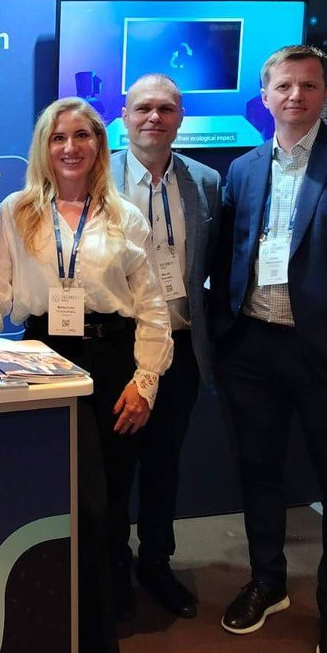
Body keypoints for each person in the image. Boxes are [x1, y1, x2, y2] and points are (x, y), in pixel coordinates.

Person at [0, 97, 172, 653]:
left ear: (99, 145)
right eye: (58, 136)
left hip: (113, 367)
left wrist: (145, 381)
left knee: (102, 510)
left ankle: (94, 645)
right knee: (72, 512)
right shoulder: (19, 211)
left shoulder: (125, 217)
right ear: (44, 146)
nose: (70, 147)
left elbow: (153, 308)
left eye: (82, 136)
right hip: (43, 363)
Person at [214, 45, 327, 653]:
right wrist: (225, 332)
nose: (296, 96)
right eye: (284, 86)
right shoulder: (244, 167)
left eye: (309, 86)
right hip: (254, 348)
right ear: (265, 94)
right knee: (259, 473)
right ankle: (268, 582)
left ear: (325, 95)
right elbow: (229, 254)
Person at [110, 74, 221, 618]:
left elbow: (213, 264)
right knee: (113, 468)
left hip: (180, 347)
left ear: (180, 118)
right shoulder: (97, 174)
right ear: (124, 117)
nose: (154, 118)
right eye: (143, 108)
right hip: (117, 348)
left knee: (164, 465)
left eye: (166, 109)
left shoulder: (206, 181)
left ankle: (156, 562)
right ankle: (112, 571)